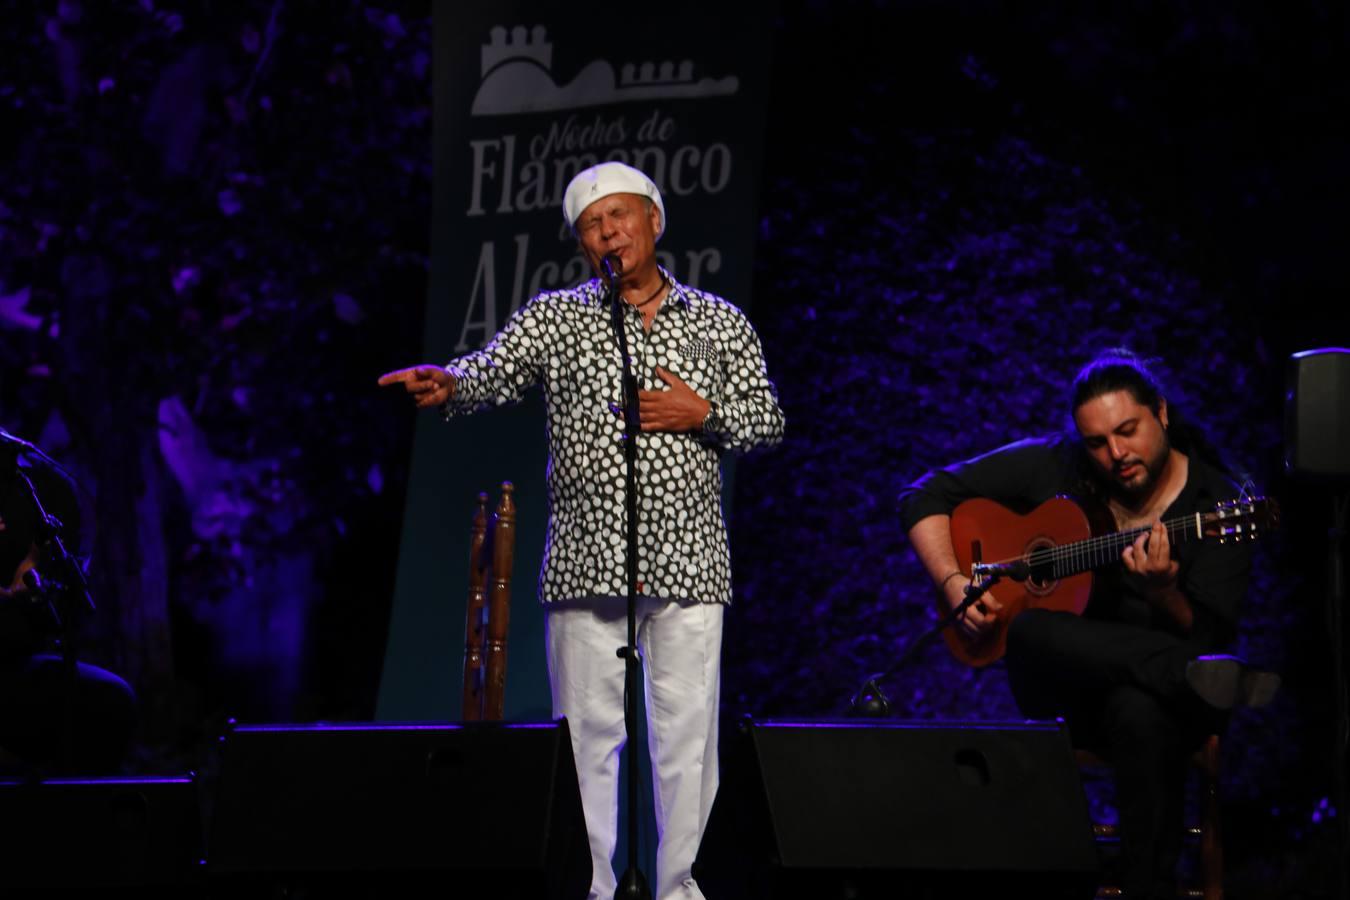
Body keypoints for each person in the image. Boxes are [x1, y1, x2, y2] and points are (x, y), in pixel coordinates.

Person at [379, 161, 784, 900]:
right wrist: (453, 385)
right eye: (593, 225)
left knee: (686, 742)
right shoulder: (557, 317)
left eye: (619, 217)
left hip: (690, 563)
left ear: (654, 223)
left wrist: (705, 415)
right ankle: (593, 889)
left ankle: (679, 890)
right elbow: (494, 370)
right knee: (587, 741)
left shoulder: (721, 322)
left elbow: (767, 420)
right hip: (584, 560)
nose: (607, 232)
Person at [897, 349, 1278, 900]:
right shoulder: (1058, 465)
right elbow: (922, 494)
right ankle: (1174, 669)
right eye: (1097, 442)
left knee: (1140, 709)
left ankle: (1147, 886)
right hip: (1069, 692)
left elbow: (1211, 640)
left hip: (1167, 708)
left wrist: (1164, 591)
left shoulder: (1216, 505)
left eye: (1127, 431)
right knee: (1029, 630)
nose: (1116, 454)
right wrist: (953, 581)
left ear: (1162, 414)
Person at [0, 430, 136, 775]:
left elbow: (35, 558)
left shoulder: (18, 483)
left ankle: (74, 819)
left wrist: (33, 575)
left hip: (10, 664)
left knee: (109, 701)